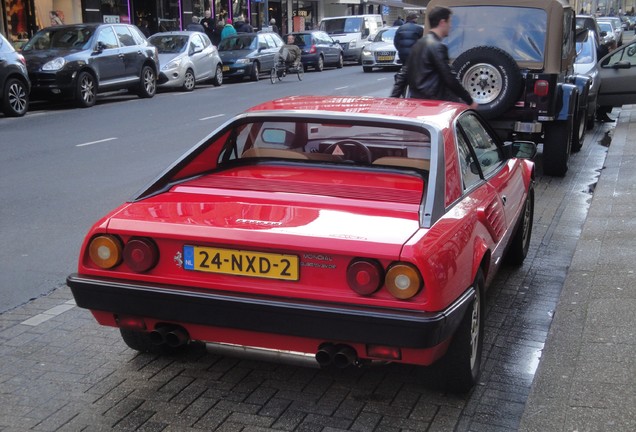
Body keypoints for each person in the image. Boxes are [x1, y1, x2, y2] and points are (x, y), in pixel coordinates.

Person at [406, 6, 478, 108]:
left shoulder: (418, 43)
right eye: (450, 22)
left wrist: (394, 99)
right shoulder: (438, 46)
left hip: (418, 102)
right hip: (434, 103)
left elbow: (403, 74)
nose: (451, 26)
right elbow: (449, 77)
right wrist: (469, 100)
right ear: (442, 22)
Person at [389, 12, 424, 97]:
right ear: (414, 19)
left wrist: (401, 50)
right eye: (416, 18)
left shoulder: (400, 28)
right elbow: (423, 42)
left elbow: (396, 42)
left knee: (405, 69)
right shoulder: (419, 29)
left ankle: (402, 89)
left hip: (403, 54)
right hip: (414, 55)